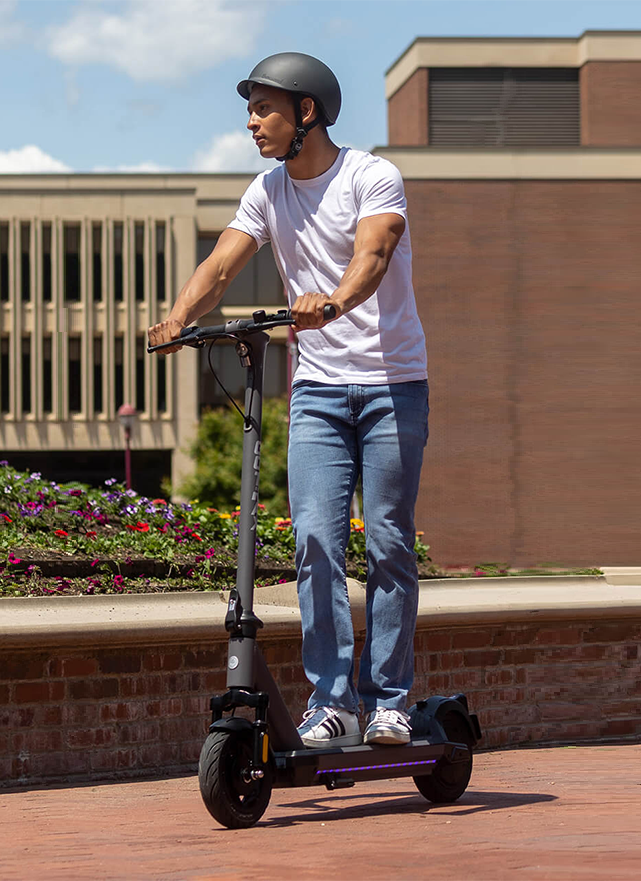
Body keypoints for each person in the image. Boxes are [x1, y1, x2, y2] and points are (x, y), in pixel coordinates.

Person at [146, 52, 429, 750]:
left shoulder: (371, 175)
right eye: (250, 110)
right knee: (314, 542)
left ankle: (389, 700)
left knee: (388, 542)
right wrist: (178, 314)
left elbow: (375, 253)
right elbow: (221, 261)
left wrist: (332, 300)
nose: (252, 122)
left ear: (307, 112)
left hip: (393, 383)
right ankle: (332, 702)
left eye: (265, 109)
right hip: (318, 393)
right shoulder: (268, 191)